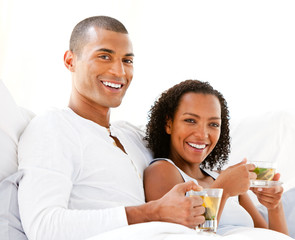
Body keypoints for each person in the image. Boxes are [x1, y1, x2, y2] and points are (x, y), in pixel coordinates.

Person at [17, 16, 206, 240]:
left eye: (127, 60)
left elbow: (190, 143)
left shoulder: (131, 136)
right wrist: (152, 212)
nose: (119, 72)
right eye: (104, 56)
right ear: (70, 61)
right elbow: (43, 227)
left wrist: (249, 194)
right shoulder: (54, 127)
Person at [143, 80, 289, 235]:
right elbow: (183, 237)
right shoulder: (163, 171)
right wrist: (223, 190)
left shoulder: (222, 177)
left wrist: (274, 206)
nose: (202, 134)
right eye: (190, 120)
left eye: (213, 124)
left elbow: (273, 236)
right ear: (169, 124)